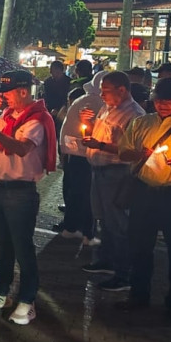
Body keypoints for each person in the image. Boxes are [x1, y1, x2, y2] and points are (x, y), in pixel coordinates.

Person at [0, 70, 56, 326]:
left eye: (7, 92)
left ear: (22, 91)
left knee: (23, 248)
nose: (3, 97)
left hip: (21, 192)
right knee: (2, 245)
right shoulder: (7, 115)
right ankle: (0, 292)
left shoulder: (37, 119)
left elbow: (21, 148)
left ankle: (27, 300)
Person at [118, 77, 171, 326]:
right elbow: (123, 151)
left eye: (168, 101)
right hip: (144, 192)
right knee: (139, 247)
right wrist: (141, 153)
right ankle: (138, 295)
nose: (162, 105)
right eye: (158, 100)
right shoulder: (141, 123)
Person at [80, 71, 145, 292]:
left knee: (118, 223)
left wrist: (99, 146)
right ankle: (106, 261)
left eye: (106, 90)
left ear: (122, 90)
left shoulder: (135, 115)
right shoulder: (108, 108)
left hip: (117, 174)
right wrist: (87, 124)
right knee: (104, 219)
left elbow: (133, 151)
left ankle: (123, 273)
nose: (101, 94)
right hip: (98, 171)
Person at [56, 72, 105, 242]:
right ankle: (85, 232)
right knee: (85, 194)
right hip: (84, 153)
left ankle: (72, 227)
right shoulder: (96, 101)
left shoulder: (83, 99)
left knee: (74, 191)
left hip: (72, 151)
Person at [41, 60, 70, 126]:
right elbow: (46, 97)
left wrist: (59, 110)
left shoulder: (68, 82)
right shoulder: (47, 82)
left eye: (56, 71)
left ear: (61, 71)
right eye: (51, 71)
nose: (51, 73)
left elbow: (67, 98)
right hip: (50, 111)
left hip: (64, 112)